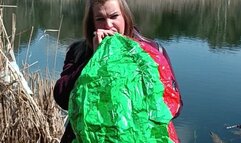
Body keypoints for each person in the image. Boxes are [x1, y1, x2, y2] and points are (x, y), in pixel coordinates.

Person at [54, 0, 182, 142]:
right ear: (92, 23)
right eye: (100, 19)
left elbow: (174, 107)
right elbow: (62, 98)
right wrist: (95, 59)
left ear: (125, 17)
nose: (108, 25)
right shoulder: (79, 52)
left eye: (114, 16)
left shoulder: (151, 52)